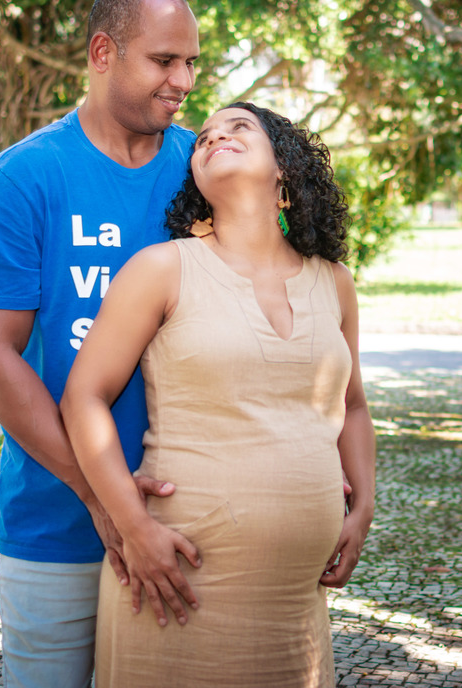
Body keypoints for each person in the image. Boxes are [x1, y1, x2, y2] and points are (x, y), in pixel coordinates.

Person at [60, 102, 377, 687]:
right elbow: (84, 397)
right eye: (204, 136)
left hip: (294, 605)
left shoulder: (333, 280)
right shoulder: (162, 268)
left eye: (239, 128)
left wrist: (363, 508)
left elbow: (352, 405)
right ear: (197, 182)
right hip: (175, 577)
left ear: (285, 168)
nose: (214, 137)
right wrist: (136, 528)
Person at [0, 0, 201, 688]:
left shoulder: (201, 171)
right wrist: (104, 502)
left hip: (190, 519)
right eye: (163, 61)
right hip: (55, 526)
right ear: (102, 52)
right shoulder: (23, 179)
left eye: (191, 64)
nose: (182, 81)